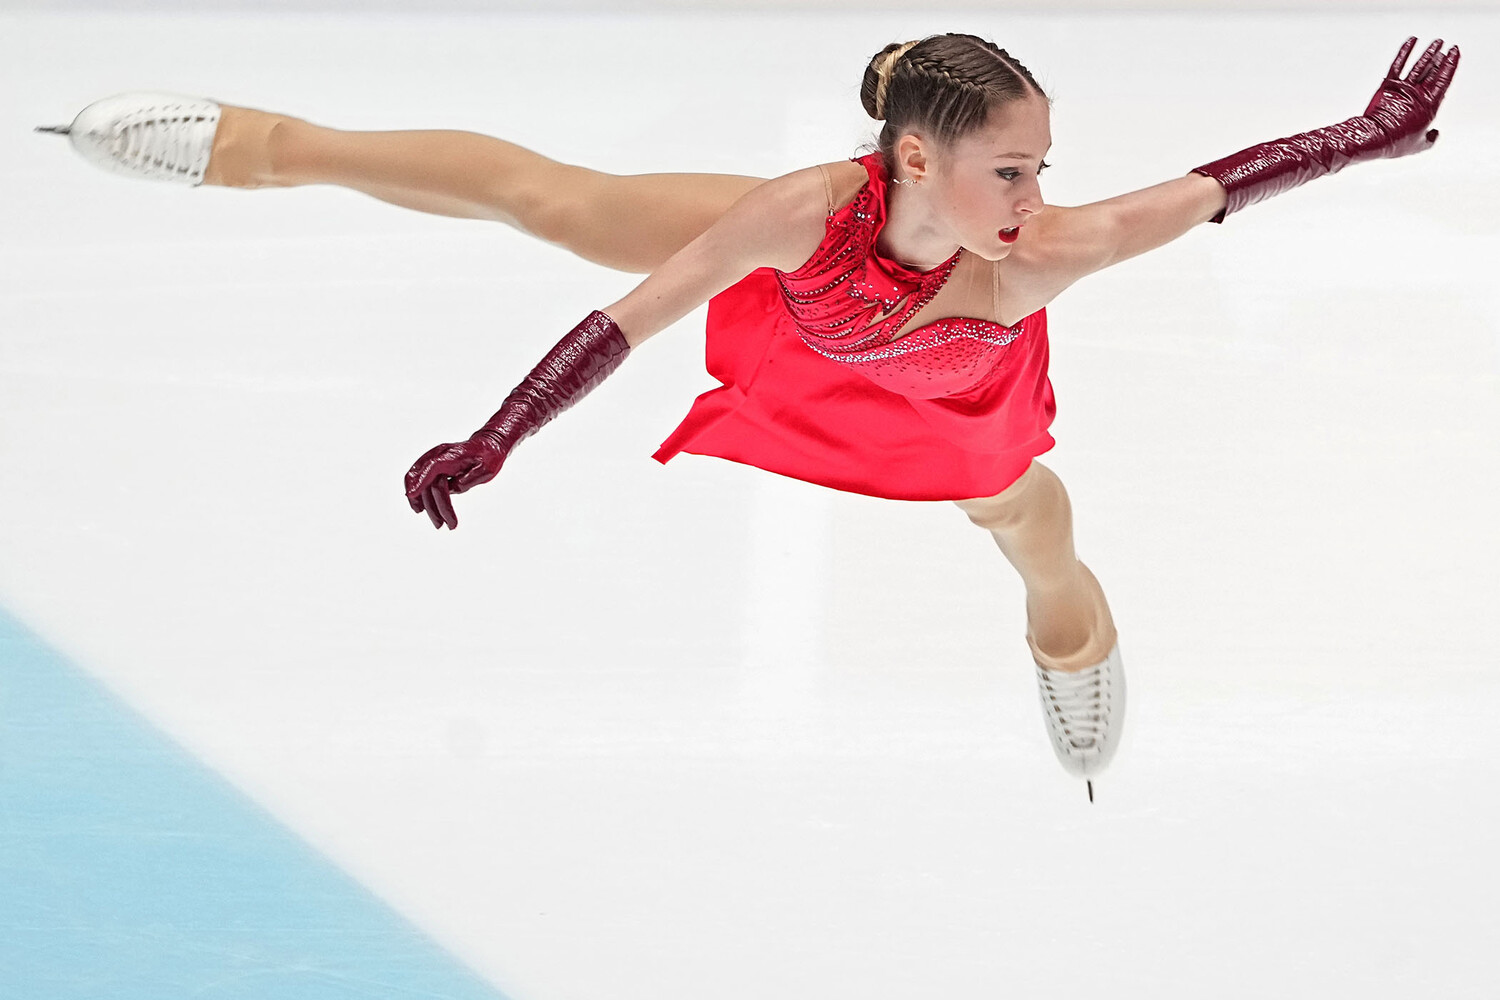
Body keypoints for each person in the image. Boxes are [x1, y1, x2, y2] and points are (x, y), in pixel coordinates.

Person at [38, 33, 1460, 799]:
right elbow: (627, 319)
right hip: (798, 327)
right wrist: (499, 433)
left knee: (1034, 536)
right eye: (1011, 171)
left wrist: (1359, 136)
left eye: (1043, 169)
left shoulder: (1053, 251)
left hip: (956, 413)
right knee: (558, 199)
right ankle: (247, 144)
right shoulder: (801, 214)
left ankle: (1079, 658)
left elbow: (1212, 189)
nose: (1038, 199)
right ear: (911, 157)